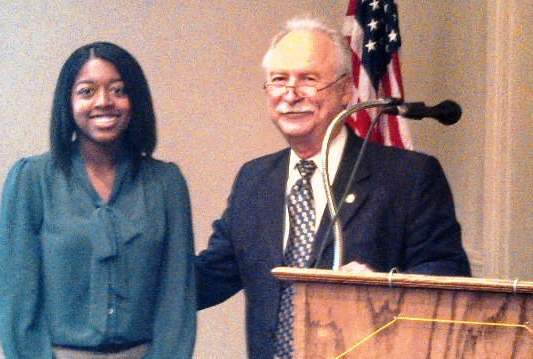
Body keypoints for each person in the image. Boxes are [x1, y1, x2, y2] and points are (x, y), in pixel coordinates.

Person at [195, 17, 471, 359]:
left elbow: (448, 277)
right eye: (279, 80)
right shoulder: (254, 180)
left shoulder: (410, 177)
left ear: (345, 91)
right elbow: (208, 277)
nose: (291, 94)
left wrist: (383, 287)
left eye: (308, 79)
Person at [0, 42, 196, 359]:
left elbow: (177, 298)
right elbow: (15, 300)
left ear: (135, 100)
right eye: (86, 91)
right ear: (68, 102)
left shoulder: (166, 183)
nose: (104, 102)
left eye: (118, 90)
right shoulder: (32, 179)